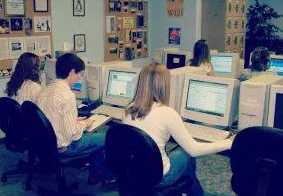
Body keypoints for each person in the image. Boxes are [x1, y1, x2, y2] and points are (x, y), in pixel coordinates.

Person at [123, 63, 235, 195]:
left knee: (176, 153)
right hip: (160, 177)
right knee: (186, 153)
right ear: (164, 86)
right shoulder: (166, 113)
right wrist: (228, 143)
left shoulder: (128, 108)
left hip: (133, 171)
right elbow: (195, 150)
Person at [36, 53, 116, 186]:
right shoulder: (67, 95)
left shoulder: (44, 91)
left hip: (45, 144)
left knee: (96, 137)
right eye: (80, 74)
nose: (80, 78)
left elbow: (50, 119)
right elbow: (72, 134)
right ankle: (110, 178)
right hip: (64, 146)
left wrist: (73, 119)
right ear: (72, 71)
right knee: (109, 138)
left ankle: (96, 174)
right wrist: (84, 123)